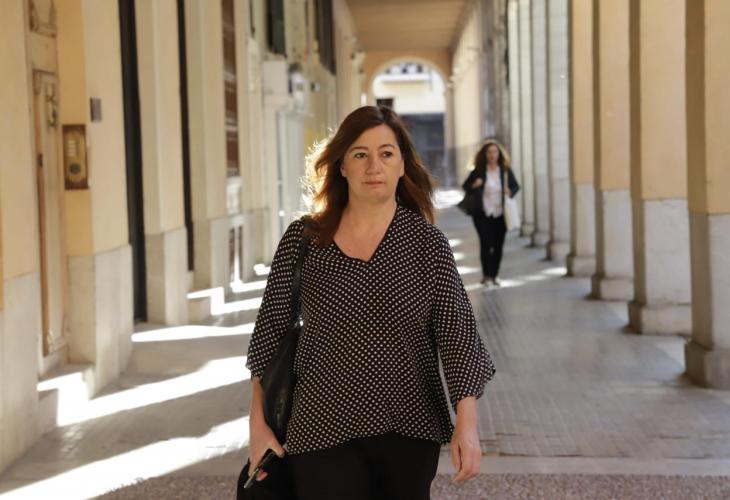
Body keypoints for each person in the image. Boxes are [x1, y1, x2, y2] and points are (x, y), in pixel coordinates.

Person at [245, 106, 495, 500]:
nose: (373, 166)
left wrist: (467, 422)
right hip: (319, 425)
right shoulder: (304, 239)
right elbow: (269, 335)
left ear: (402, 165)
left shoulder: (427, 245)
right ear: (342, 166)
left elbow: (457, 336)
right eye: (360, 154)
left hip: (409, 427)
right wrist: (257, 425)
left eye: (386, 154)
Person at [461, 140, 520, 287]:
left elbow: (515, 186)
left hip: (501, 214)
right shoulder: (479, 170)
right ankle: (486, 276)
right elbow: (465, 186)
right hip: (482, 213)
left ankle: (494, 275)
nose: (492, 155)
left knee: (498, 245)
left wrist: (509, 191)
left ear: (499, 154)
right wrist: (475, 185)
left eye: (495, 152)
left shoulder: (505, 170)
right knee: (486, 243)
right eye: (489, 152)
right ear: (485, 154)